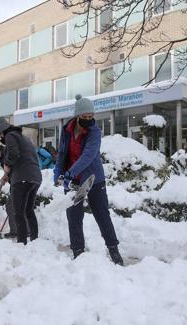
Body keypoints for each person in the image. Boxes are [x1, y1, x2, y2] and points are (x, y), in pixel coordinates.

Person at [53, 94, 124, 266]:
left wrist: (70, 173)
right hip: (72, 181)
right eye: (84, 117)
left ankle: (113, 250)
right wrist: (58, 172)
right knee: (74, 216)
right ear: (77, 116)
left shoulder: (94, 132)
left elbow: (88, 156)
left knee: (102, 214)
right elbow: (63, 153)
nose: (88, 119)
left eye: (90, 116)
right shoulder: (67, 130)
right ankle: (78, 252)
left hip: (93, 179)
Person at [0, 117, 42, 245]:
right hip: (35, 178)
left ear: (2, 131)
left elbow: (14, 154)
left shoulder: (10, 135)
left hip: (22, 178)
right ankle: (35, 241)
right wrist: (8, 175)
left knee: (18, 213)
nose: (1, 138)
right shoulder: (23, 138)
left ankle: (22, 243)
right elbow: (25, 159)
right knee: (28, 210)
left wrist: (7, 166)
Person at [0, 145, 18, 238]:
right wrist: (6, 177)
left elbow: (10, 169)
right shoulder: (7, 156)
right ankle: (24, 230)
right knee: (19, 207)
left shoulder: (4, 157)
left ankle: (15, 231)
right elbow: (10, 170)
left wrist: (6, 176)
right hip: (18, 182)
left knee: (10, 206)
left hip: (17, 183)